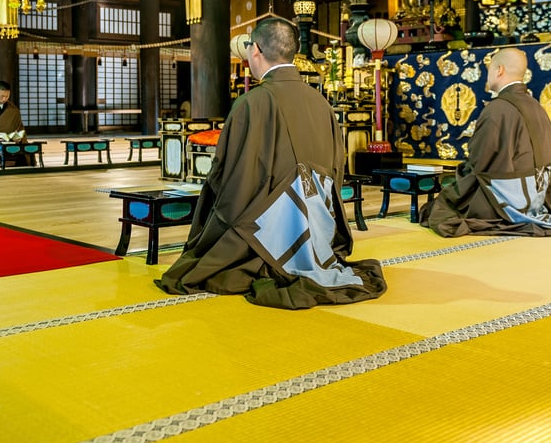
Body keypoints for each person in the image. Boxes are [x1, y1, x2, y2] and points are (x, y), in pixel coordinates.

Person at [156, 17, 387, 309]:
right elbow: (337, 170)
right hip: (318, 224)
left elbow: (228, 177)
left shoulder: (251, 103)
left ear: (255, 50)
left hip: (265, 233)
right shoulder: (321, 104)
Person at [421, 46, 551, 237]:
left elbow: (480, 163)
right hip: (538, 197)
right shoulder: (536, 105)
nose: (487, 77)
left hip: (508, 199)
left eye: (488, 71)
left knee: (438, 209)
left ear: (499, 70)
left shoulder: (498, 109)